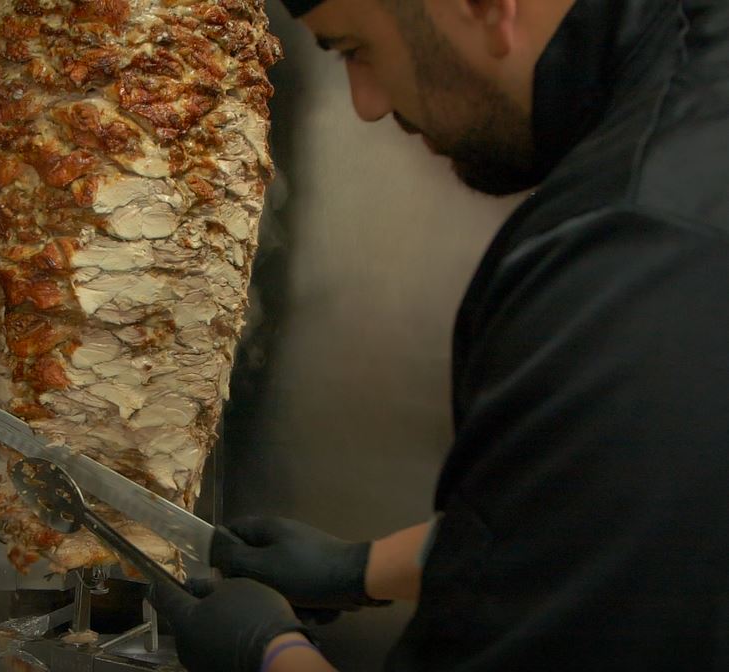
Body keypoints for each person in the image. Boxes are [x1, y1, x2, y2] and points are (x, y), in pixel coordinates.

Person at [148, 0, 729, 670]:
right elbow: (609, 526)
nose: (365, 104)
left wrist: (271, 656)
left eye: (353, 49)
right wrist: (365, 570)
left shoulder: (624, 267)